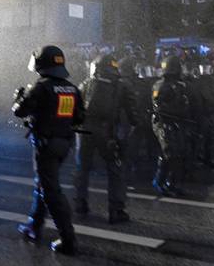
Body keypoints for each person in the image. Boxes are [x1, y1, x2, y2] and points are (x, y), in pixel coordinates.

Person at [14, 45, 85, 255]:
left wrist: (19, 97)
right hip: (64, 144)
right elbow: (80, 117)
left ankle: (67, 238)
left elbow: (20, 111)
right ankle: (34, 225)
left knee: (51, 191)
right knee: (43, 185)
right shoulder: (72, 88)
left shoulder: (41, 87)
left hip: (45, 144)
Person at [72, 54, 137, 224]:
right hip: (107, 131)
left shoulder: (86, 83)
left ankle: (80, 204)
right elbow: (132, 110)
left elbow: (75, 105)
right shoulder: (122, 85)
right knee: (115, 170)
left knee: (82, 169)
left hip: (84, 131)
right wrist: (133, 126)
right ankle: (116, 210)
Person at [151, 57, 193, 197]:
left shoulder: (180, 85)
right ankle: (159, 181)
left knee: (179, 154)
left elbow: (184, 103)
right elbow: (159, 106)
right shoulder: (160, 85)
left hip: (176, 122)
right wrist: (177, 111)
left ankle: (173, 183)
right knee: (169, 153)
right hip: (164, 122)